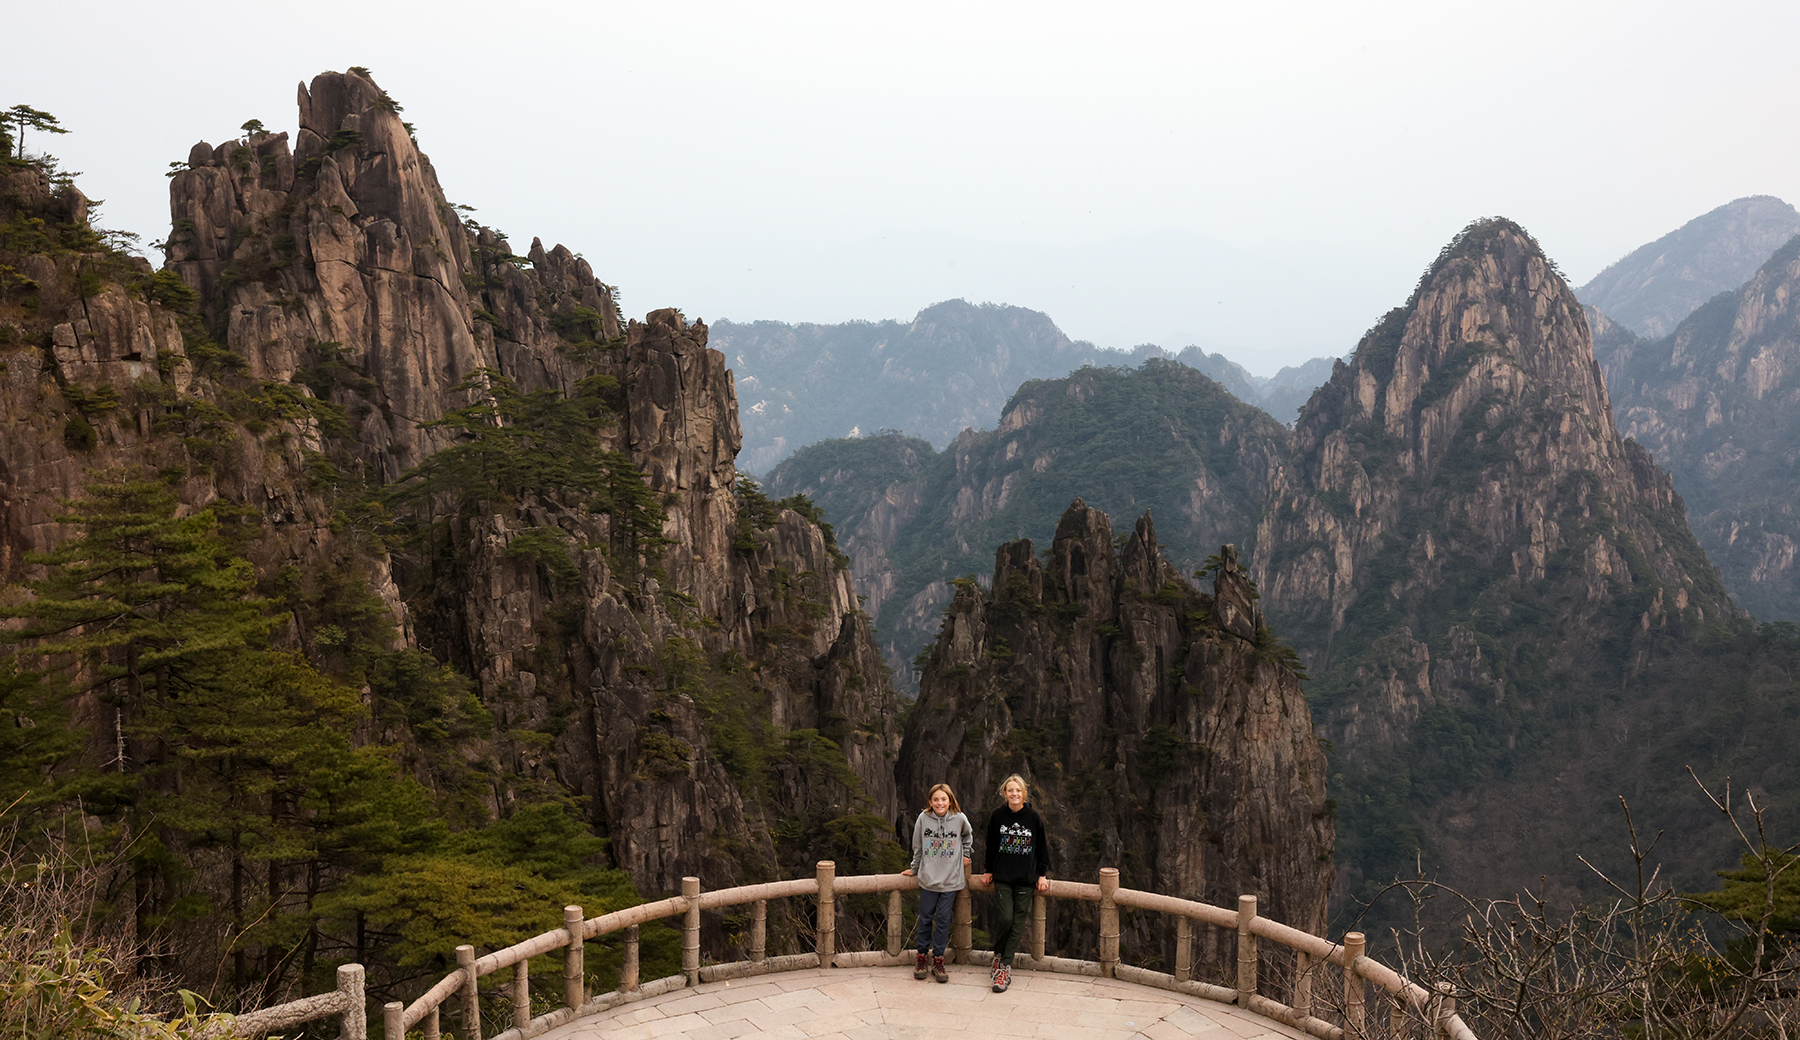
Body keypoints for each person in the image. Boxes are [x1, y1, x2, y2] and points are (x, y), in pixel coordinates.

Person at [979, 773, 1048, 993]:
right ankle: (998, 955)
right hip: (1003, 877)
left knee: (1018, 923)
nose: (1014, 794)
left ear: (1024, 793)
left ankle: (1004, 967)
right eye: (1010, 790)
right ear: (1005, 793)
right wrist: (988, 870)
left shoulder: (1033, 817)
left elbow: (1041, 846)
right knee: (1006, 918)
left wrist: (1042, 874)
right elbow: (991, 845)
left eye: (1018, 790)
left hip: (1026, 879)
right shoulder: (998, 816)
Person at [900, 782, 972, 983]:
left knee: (943, 921)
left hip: (950, 880)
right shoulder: (923, 819)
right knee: (925, 919)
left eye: (943, 799)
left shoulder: (959, 818)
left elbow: (968, 836)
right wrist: (914, 869)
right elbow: (917, 846)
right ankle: (921, 958)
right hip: (929, 879)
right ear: (930, 802)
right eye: (936, 799)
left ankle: (938, 959)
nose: (940, 803)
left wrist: (966, 854)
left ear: (950, 801)